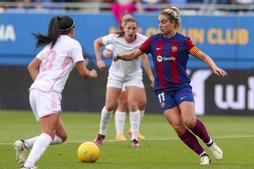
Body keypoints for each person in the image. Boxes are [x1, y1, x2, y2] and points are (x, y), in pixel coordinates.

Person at [114, 7, 226, 165]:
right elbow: (134, 53)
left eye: (164, 22)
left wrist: (213, 67)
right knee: (178, 127)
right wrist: (120, 56)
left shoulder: (183, 41)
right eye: (159, 22)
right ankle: (202, 155)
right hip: (163, 91)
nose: (160, 25)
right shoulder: (153, 40)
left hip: (181, 87)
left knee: (189, 121)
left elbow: (202, 55)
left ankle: (210, 144)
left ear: (173, 23)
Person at [14, 16, 98, 169]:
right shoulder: (73, 44)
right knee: (48, 133)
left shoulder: (51, 45)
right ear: (72, 29)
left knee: (61, 136)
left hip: (36, 91)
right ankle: (28, 166)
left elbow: (31, 67)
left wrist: (38, 83)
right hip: (48, 92)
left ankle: (24, 144)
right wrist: (92, 73)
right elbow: (83, 73)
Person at [94, 18, 152, 147]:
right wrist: (99, 60)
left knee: (132, 104)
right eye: (128, 28)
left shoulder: (143, 39)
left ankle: (135, 138)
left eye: (134, 28)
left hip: (134, 75)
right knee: (109, 106)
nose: (131, 31)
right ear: (123, 28)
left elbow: (151, 51)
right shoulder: (114, 37)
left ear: (137, 29)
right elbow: (97, 42)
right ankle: (101, 134)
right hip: (116, 75)